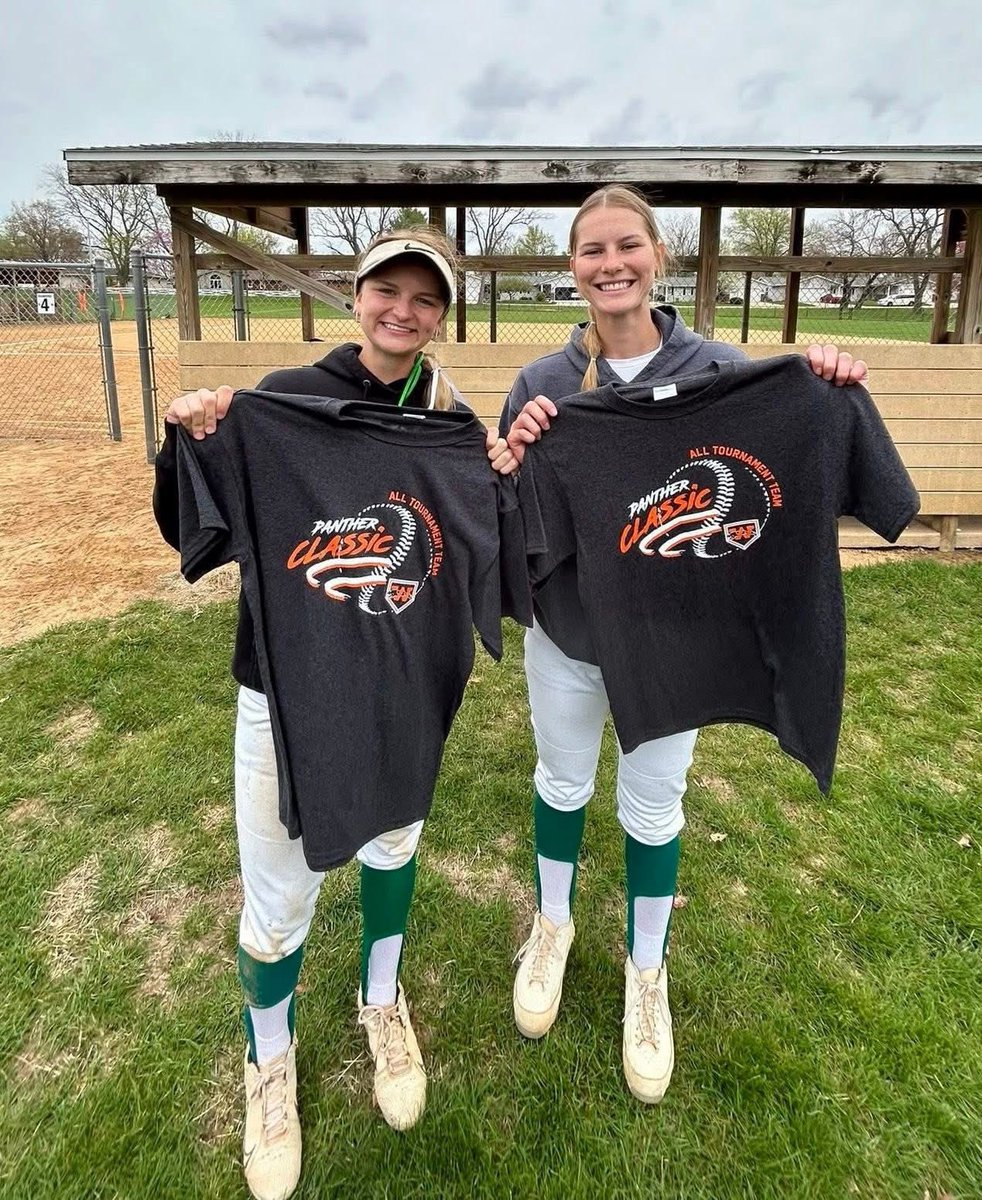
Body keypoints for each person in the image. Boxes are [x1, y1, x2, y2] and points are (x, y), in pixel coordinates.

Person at [154, 228, 519, 1200]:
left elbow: (509, 550)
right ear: (356, 297)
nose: (403, 310)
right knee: (278, 902)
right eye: (385, 290)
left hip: (402, 692)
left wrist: (508, 470)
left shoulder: (451, 421)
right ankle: (266, 1065)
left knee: (394, 850)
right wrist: (197, 430)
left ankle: (382, 1000)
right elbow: (197, 522)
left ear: (443, 313)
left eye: (424, 297)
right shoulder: (282, 406)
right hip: (287, 694)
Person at [499, 185, 869, 1106]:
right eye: (592, 250)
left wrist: (819, 379)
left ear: (657, 256)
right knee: (562, 781)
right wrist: (512, 452)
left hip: (675, 639)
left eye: (628, 245)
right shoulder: (544, 383)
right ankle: (552, 926)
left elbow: (781, 445)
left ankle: (646, 972)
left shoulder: (720, 370)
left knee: (654, 804)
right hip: (571, 635)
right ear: (573, 268)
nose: (611, 264)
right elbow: (505, 508)